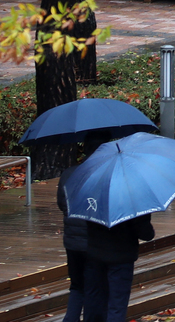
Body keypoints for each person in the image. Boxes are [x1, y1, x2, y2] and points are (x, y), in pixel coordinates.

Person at [57, 133, 111, 322]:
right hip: (93, 242)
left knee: (77, 286)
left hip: (72, 241)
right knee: (95, 288)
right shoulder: (105, 175)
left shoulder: (68, 174)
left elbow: (62, 204)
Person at [83, 206, 155, 322]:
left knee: (94, 299)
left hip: (95, 252)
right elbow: (145, 233)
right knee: (117, 303)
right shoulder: (133, 199)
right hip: (121, 256)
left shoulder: (95, 195)